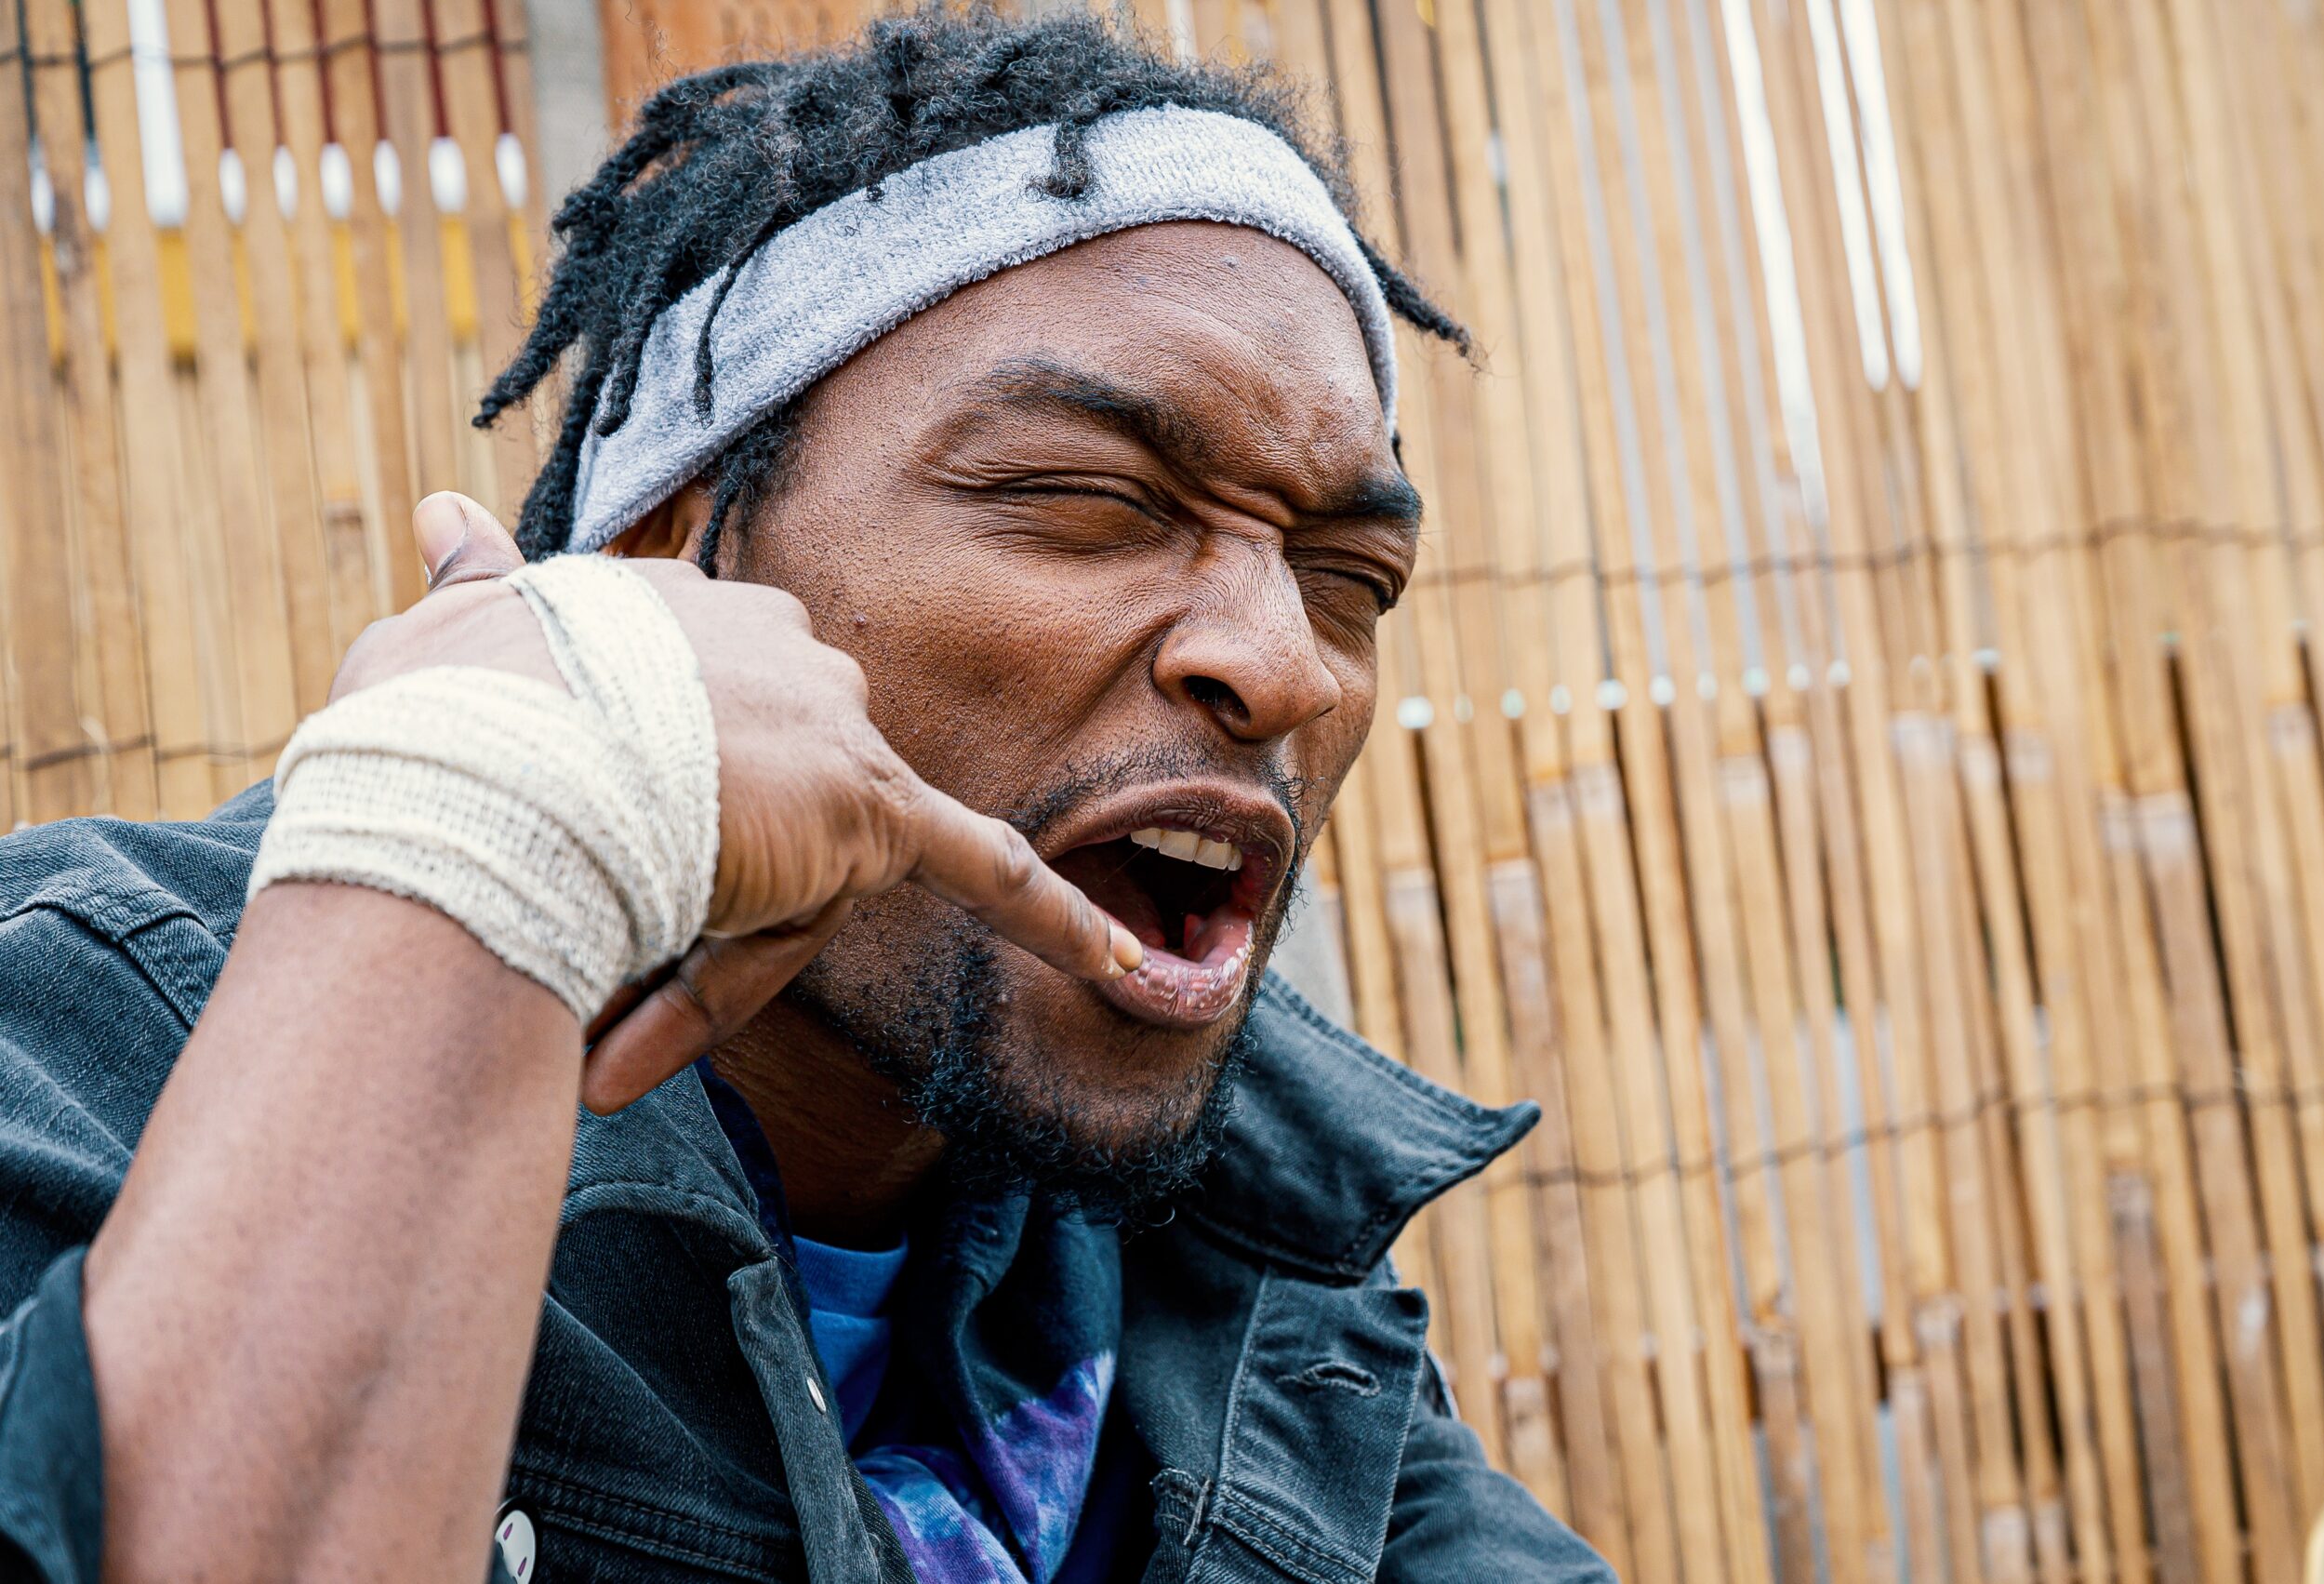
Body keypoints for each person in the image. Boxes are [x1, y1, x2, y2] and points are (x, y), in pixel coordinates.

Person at [0, 7, 1614, 1580]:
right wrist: (474, 822)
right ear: (661, 563)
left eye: (1348, 576)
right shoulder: (90, 1052)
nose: (1288, 668)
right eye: (1085, 498)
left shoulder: (1236, 1237)